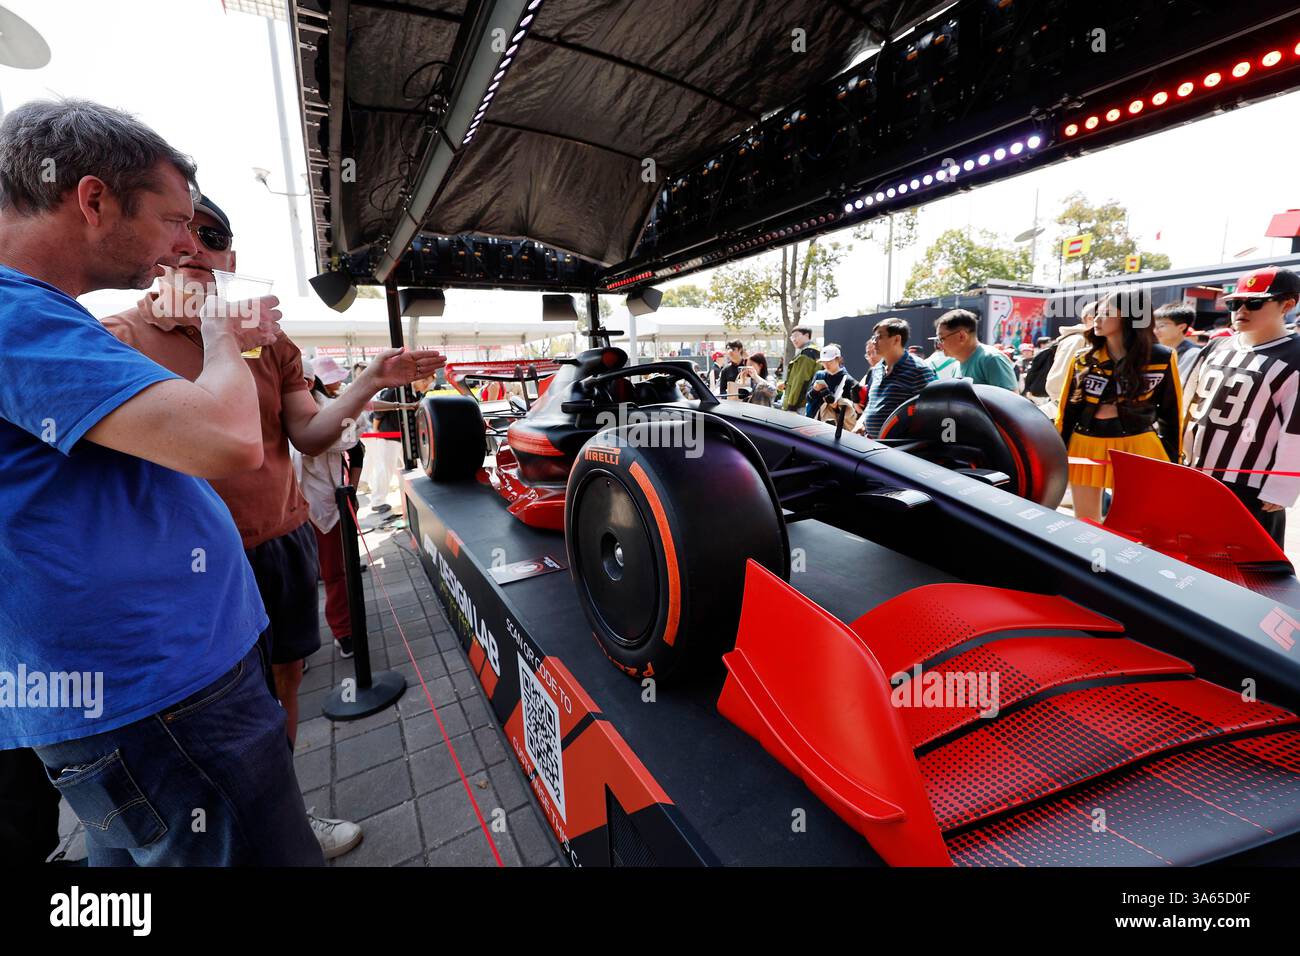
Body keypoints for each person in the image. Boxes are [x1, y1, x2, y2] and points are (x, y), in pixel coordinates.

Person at [0, 98, 322, 865]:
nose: (187, 247)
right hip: (160, 698)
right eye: (176, 221)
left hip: (155, 691)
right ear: (93, 199)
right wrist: (223, 336)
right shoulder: (21, 317)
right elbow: (228, 440)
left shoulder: (47, 315)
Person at [102, 194, 445, 856]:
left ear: (230, 256)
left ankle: (285, 814)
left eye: (211, 234)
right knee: (216, 716)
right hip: (190, 566)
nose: (193, 245)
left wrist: (372, 379)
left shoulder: (270, 342)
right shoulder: (118, 339)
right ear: (144, 251)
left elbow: (310, 433)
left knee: (284, 689)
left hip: (281, 543)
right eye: (174, 229)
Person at [1182, 267, 1300, 546]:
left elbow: (1295, 429)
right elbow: (1188, 403)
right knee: (1192, 558)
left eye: (1255, 302)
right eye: (1235, 303)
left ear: (1288, 304)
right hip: (1198, 473)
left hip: (1250, 485)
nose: (1241, 310)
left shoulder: (1295, 356)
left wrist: (1281, 487)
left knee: (1248, 573)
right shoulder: (1216, 346)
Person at [1056, 288, 1182, 522]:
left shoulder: (1161, 357)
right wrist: (1056, 451)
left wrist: (1174, 460)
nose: (1097, 318)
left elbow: (1171, 413)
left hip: (1138, 445)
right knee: (1085, 523)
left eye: (1105, 312)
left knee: (1133, 524)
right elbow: (1067, 411)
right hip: (1084, 444)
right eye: (1096, 312)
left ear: (1129, 317)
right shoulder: (1083, 358)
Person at [294, 356, 362, 662]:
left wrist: (353, 491)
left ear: (307, 384)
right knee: (293, 578)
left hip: (324, 504)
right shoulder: (270, 409)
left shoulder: (332, 410)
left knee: (335, 573)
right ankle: (294, 649)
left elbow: (349, 442)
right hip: (283, 506)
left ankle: (343, 630)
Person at [856, 318, 937, 438]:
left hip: (901, 451)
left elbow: (933, 411)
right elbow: (872, 404)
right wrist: (862, 422)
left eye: (879, 337)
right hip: (873, 445)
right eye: (874, 338)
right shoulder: (876, 369)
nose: (874, 342)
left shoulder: (919, 370)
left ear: (896, 339)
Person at [932, 309, 1017, 389]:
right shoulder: (956, 365)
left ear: (962, 336)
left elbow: (1011, 401)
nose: (939, 345)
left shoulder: (992, 359)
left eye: (941, 339)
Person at [807, 344, 860, 423]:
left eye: (829, 361)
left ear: (838, 359)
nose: (826, 364)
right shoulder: (819, 375)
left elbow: (852, 411)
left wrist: (836, 406)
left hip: (835, 426)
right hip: (814, 420)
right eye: (823, 362)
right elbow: (809, 399)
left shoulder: (848, 380)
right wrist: (814, 390)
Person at [1153, 302, 1201, 383]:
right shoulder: (1155, 350)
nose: (1155, 331)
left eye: (1161, 326)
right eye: (1154, 326)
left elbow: (1178, 386)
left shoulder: (1192, 354)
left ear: (1181, 327)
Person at [779, 327, 820, 412]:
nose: (793, 339)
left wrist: (792, 405)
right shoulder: (810, 352)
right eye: (792, 337)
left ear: (807, 335)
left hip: (800, 405)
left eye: (796, 336)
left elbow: (801, 381)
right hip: (804, 402)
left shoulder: (808, 352)